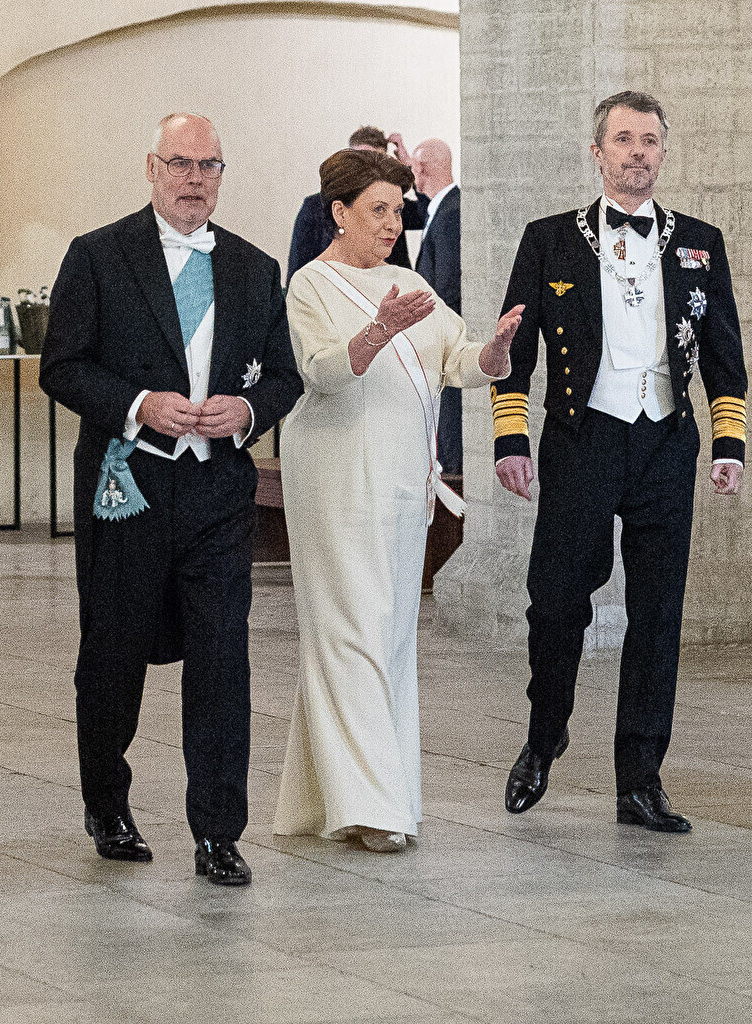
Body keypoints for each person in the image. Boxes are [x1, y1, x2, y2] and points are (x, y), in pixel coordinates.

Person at [41, 113, 304, 886]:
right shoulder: (97, 255)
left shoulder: (254, 268)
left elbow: (283, 376)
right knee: (113, 655)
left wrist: (247, 411)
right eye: (180, 164)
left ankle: (218, 832)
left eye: (208, 166)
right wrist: (138, 404)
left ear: (222, 175)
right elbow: (62, 366)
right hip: (126, 488)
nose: (194, 179)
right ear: (151, 168)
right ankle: (106, 803)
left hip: (218, 493)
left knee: (221, 661)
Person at [491, 90, 746, 831]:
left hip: (665, 439)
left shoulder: (700, 241)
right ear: (597, 152)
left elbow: (724, 353)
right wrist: (510, 439)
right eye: (624, 139)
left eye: (650, 140)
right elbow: (514, 350)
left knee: (658, 615)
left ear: (663, 151)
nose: (638, 152)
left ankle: (640, 779)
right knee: (556, 603)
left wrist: (727, 442)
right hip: (582, 437)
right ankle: (545, 733)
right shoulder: (548, 239)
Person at [274, 147, 518, 850]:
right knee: (348, 630)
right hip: (335, 479)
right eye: (376, 210)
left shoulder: (409, 281)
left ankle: (331, 798)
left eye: (396, 210)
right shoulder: (310, 286)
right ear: (339, 212)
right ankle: (376, 807)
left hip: (403, 484)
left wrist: (494, 353)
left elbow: (455, 359)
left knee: (387, 635)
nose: (391, 223)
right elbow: (321, 373)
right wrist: (378, 331)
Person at [288, 124, 428, 275]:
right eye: (360, 161)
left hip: (394, 284)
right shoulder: (316, 206)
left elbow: (431, 214)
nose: (368, 169)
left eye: (376, 161)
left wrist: (409, 166)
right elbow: (298, 267)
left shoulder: (394, 205)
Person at [409, 137, 462, 474]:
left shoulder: (451, 213)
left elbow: (446, 288)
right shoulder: (444, 208)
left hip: (444, 343)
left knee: (449, 432)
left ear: (421, 168)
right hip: (440, 340)